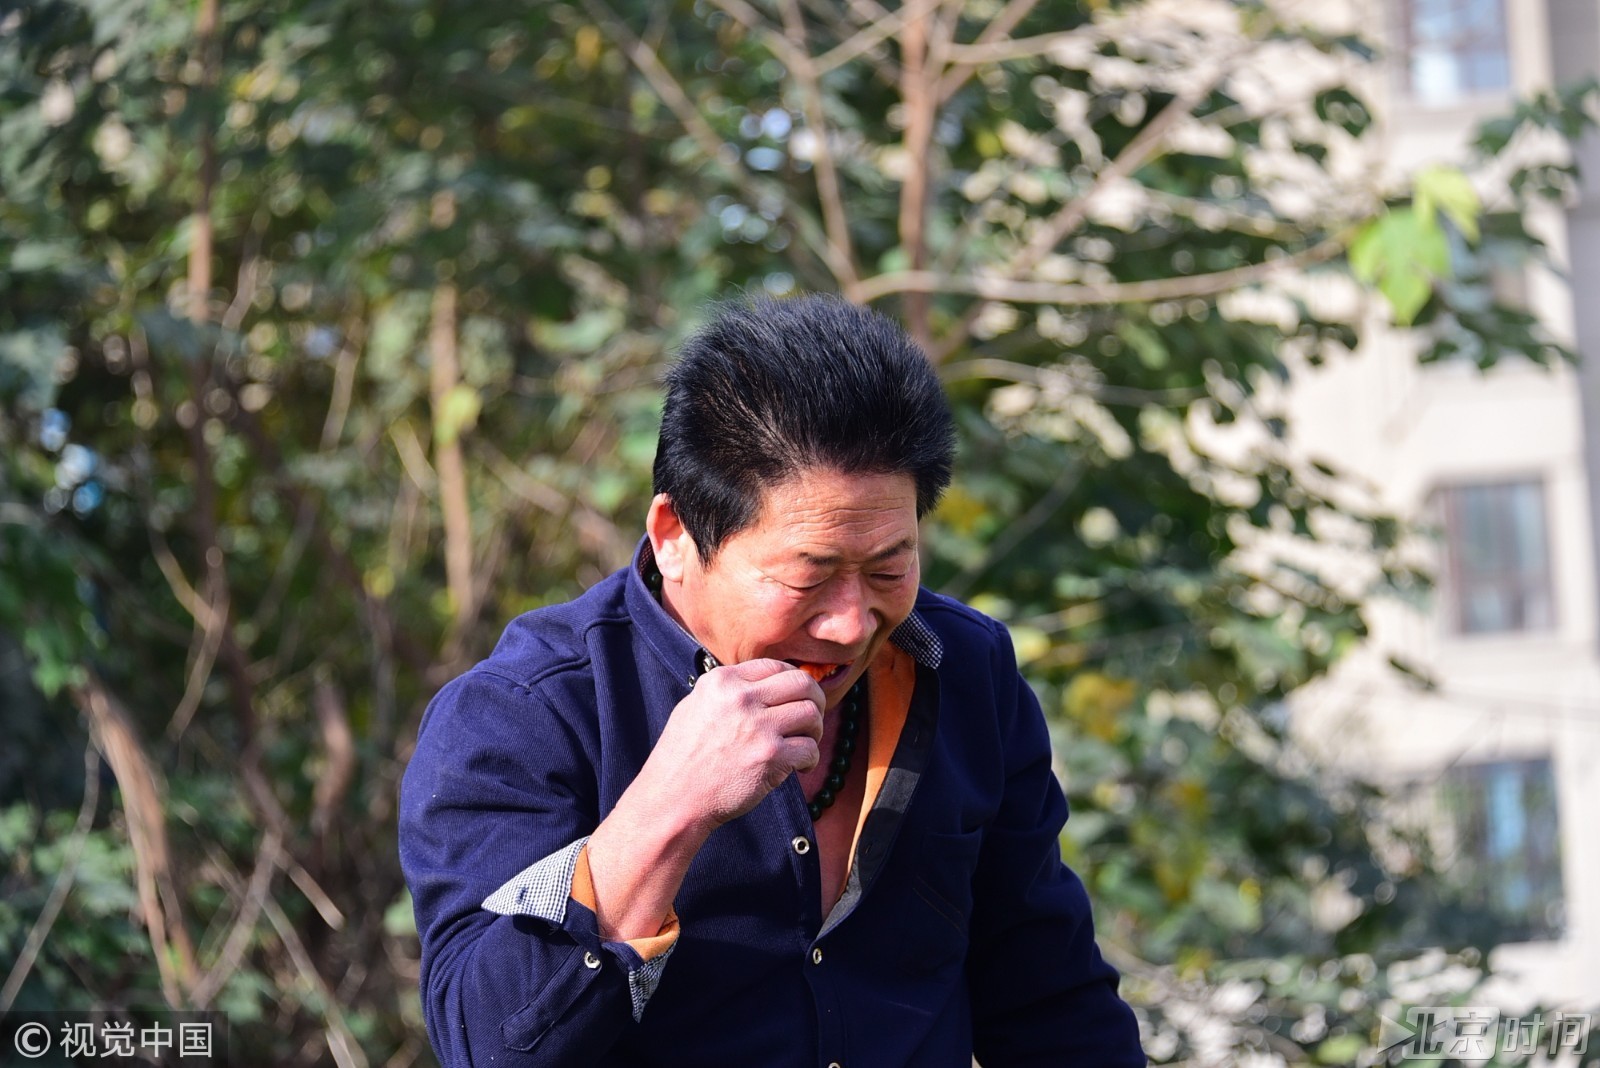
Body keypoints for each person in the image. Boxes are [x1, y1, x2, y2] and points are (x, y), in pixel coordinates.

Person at [399, 294, 1145, 1067]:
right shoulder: (521, 714)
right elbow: (491, 1048)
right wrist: (670, 808)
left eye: (888, 568)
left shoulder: (965, 669)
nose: (851, 624)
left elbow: (1053, 1002)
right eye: (807, 577)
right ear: (675, 536)